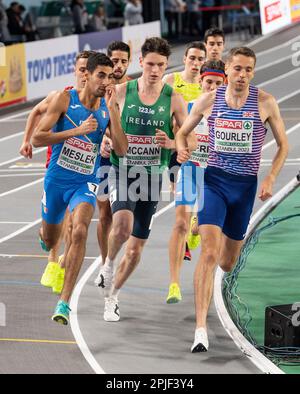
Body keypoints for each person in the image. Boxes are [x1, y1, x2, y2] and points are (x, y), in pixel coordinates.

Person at [176, 47, 289, 352]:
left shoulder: (265, 103)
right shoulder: (209, 100)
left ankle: (202, 226)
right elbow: (182, 131)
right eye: (237, 69)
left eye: (248, 70)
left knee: (227, 263)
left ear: (253, 71)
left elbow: (283, 146)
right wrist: (181, 148)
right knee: (210, 254)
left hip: (244, 189)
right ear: (227, 69)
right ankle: (201, 328)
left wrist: (271, 176)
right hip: (214, 182)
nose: (242, 75)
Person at [99, 37, 197, 322]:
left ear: (167, 65)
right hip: (122, 170)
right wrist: (105, 142)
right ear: (140, 62)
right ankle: (107, 263)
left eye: (161, 65)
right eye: (150, 64)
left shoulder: (174, 98)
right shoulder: (119, 91)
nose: (155, 70)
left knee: (137, 247)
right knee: (122, 225)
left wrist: (172, 144)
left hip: (152, 177)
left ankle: (113, 296)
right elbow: (102, 132)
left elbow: (189, 139)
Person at [32, 52, 128, 325]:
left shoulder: (107, 108)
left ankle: (64, 302)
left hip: (84, 182)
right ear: (87, 75)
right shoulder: (65, 99)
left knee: (81, 229)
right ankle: (45, 236)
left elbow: (122, 149)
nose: (106, 81)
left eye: (110, 76)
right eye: (101, 75)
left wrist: (113, 113)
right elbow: (39, 137)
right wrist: (76, 131)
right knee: (50, 240)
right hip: (56, 181)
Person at [20, 51, 94, 295]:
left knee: (76, 222)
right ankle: (51, 254)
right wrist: (26, 141)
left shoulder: (98, 99)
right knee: (59, 221)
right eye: (81, 69)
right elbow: (35, 113)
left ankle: (59, 265)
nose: (84, 73)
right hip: (57, 164)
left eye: (88, 69)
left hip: (83, 171)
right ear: (75, 71)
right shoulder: (59, 96)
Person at [167, 60, 226, 304]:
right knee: (180, 223)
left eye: (218, 83)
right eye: (209, 81)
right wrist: (178, 149)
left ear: (225, 84)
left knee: (199, 229)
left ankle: (196, 231)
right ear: (201, 81)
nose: (212, 87)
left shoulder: (229, 112)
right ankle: (174, 284)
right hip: (191, 171)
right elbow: (177, 138)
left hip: (214, 178)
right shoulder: (189, 108)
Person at [163, 41, 206, 261]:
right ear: (185, 59)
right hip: (177, 147)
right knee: (180, 195)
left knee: (201, 197)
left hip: (203, 149)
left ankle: (194, 225)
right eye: (192, 58)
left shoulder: (206, 86)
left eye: (200, 59)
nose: (196, 63)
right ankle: (185, 240)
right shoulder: (171, 81)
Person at [94, 41, 131, 285]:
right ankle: (104, 263)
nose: (118, 66)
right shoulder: (99, 90)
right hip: (104, 159)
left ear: (129, 63)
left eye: (122, 61)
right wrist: (103, 140)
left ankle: (111, 259)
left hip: (128, 159)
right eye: (114, 60)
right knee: (105, 213)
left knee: (123, 218)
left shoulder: (133, 90)